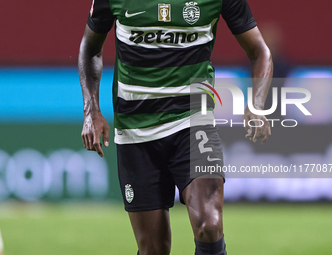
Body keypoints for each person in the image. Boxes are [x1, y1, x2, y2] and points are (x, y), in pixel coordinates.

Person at [78, 0, 272, 254]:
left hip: (193, 120)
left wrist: (257, 104)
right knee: (153, 248)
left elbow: (260, 51)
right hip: (135, 130)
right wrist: (91, 110)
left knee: (209, 224)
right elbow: (90, 48)